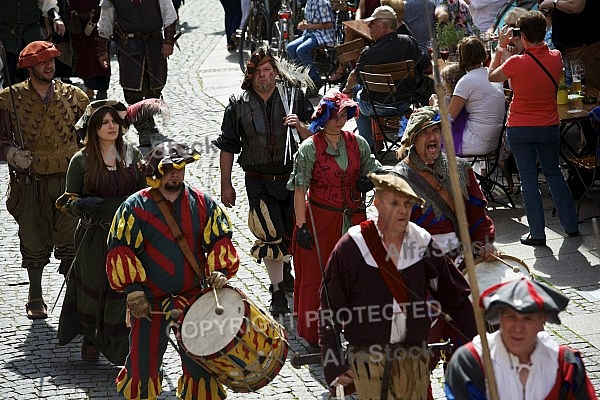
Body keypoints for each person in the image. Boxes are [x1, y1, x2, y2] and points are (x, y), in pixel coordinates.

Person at [319, 172, 477, 399]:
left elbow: (456, 299)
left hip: (415, 360)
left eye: (407, 204)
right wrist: (334, 368)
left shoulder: (422, 242)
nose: (403, 210)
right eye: (394, 203)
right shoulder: (351, 247)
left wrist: (479, 346)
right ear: (377, 202)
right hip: (369, 361)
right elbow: (328, 311)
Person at [105, 142, 240, 400]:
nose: (175, 174)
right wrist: (134, 292)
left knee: (201, 370)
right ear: (156, 171)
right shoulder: (134, 207)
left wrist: (220, 270)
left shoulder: (203, 204)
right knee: (142, 368)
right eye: (168, 169)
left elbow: (219, 240)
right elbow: (121, 248)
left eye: (180, 168)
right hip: (149, 302)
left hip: (193, 301)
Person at [213, 45, 314, 316]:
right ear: (250, 75)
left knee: (294, 230)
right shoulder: (237, 105)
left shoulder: (294, 98)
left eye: (268, 70)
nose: (263, 76)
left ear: (276, 73)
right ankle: (277, 290)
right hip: (257, 180)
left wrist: (301, 126)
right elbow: (228, 146)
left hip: (293, 178)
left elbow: (317, 135)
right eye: (258, 72)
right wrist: (226, 184)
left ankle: (288, 271)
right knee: (269, 234)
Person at [0, 41, 89, 319]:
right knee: (33, 238)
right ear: (29, 67)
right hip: (30, 181)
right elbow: (0, 138)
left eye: (51, 60)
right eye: (42, 62)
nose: (49, 65)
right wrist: (12, 153)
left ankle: (75, 299)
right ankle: (35, 294)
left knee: (71, 239)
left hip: (69, 179)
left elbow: (89, 134)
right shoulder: (8, 99)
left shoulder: (75, 97)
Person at [287, 92, 381, 346]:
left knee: (357, 274)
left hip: (354, 219)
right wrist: (301, 226)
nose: (340, 120)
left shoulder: (357, 143)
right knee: (318, 276)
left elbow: (375, 169)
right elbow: (299, 189)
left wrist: (369, 180)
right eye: (335, 115)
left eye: (344, 115)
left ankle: (356, 329)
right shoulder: (309, 148)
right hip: (320, 221)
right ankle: (319, 333)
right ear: (325, 116)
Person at [55, 100, 146, 364]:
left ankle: (121, 346)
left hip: (128, 236)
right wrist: (80, 204)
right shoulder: (81, 161)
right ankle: (91, 338)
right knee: (94, 290)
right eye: (104, 123)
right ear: (93, 128)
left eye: (114, 122)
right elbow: (65, 201)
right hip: (94, 237)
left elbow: (145, 194)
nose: (111, 127)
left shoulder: (131, 155)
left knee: (123, 290)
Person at [488, 10, 579, 246]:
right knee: (555, 174)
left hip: (520, 126)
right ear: (544, 32)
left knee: (528, 180)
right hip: (548, 125)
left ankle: (537, 234)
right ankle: (571, 226)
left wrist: (501, 47)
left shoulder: (515, 62)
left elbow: (491, 76)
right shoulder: (556, 56)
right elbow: (538, 61)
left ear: (523, 36)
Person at [445, 278, 598, 399]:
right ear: (500, 318)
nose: (518, 328)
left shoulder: (565, 364)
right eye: (511, 317)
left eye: (528, 319)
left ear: (542, 320)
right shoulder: (469, 361)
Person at [97, 0, 177, 148]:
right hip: (129, 46)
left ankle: (148, 113)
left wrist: (168, 42)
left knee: (156, 85)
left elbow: (169, 15)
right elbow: (105, 23)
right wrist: (102, 51)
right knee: (132, 89)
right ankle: (143, 129)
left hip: (155, 44)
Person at [354, 5, 431, 150]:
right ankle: (376, 141)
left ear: (383, 26)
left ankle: (369, 148)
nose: (369, 26)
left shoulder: (369, 53)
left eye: (372, 23)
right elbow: (427, 66)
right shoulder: (409, 42)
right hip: (403, 103)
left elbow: (359, 79)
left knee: (356, 94)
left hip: (375, 107)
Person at [436, 36, 506, 156]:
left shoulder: (466, 81)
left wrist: (435, 106)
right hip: (496, 140)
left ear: (462, 57)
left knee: (427, 137)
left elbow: (448, 118)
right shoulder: (492, 75)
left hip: (477, 141)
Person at [0, 0, 66, 86]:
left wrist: (56, 18)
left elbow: (47, 5)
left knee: (35, 75)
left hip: (32, 34)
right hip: (6, 35)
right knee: (8, 76)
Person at [538, 0, 600, 90]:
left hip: (583, 45)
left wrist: (552, 3)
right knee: (574, 92)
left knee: (590, 92)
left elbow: (576, 6)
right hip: (567, 45)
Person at [286, 0, 335, 95]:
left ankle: (315, 80)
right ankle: (303, 77)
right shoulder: (309, 2)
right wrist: (303, 24)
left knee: (301, 50)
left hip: (323, 35)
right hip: (310, 33)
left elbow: (329, 24)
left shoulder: (322, 2)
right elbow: (309, 21)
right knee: (290, 48)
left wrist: (308, 26)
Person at [67, 0, 111, 100]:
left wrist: (95, 18)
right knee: (83, 56)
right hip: (78, 23)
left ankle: (102, 89)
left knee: (100, 52)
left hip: (97, 22)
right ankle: (89, 87)